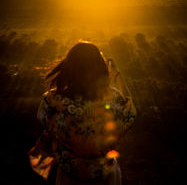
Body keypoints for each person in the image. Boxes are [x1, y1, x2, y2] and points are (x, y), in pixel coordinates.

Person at [28, 41, 136, 184]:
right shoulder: (113, 98)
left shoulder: (52, 101)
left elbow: (42, 120)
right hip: (106, 176)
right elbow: (130, 110)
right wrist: (117, 75)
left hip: (69, 176)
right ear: (99, 68)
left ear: (69, 68)